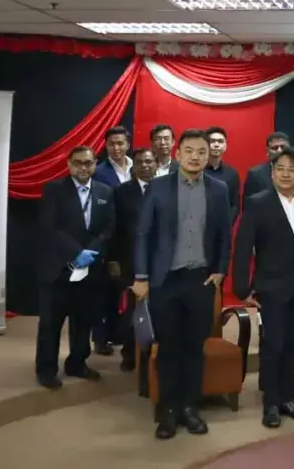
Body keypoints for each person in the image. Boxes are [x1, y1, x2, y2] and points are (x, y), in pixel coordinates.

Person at [132, 129, 232, 440]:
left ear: (208, 155)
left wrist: (219, 271)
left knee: (194, 348)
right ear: (177, 153)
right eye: (189, 150)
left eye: (201, 152)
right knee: (168, 349)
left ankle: (191, 408)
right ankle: (168, 411)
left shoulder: (219, 189)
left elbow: (223, 235)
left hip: (199, 280)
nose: (195, 157)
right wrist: (141, 276)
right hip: (165, 280)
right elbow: (143, 234)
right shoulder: (159, 188)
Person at [233, 147, 294, 429]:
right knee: (273, 346)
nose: (286, 174)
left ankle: (287, 398)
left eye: (292, 170)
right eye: (280, 168)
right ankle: (271, 403)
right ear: (272, 173)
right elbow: (243, 248)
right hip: (271, 286)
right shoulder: (258, 203)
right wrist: (242, 289)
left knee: (292, 345)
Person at [34, 146, 115, 389]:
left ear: (94, 164)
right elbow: (50, 226)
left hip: (90, 271)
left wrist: (91, 252)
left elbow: (109, 228)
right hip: (58, 269)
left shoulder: (105, 192)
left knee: (83, 322)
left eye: (88, 163)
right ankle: (46, 370)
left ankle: (77, 363)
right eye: (78, 163)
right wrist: (76, 253)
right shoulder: (54, 190)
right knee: (51, 324)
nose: (83, 167)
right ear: (69, 165)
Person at [113, 148, 157, 375]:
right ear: (134, 167)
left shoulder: (165, 189)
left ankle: (153, 354)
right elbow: (116, 230)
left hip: (159, 261)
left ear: (156, 165)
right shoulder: (122, 192)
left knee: (158, 311)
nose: (145, 166)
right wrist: (115, 264)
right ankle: (129, 354)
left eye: (149, 162)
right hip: (131, 261)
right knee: (133, 311)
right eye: (140, 162)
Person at [91, 126, 132, 356]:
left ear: (127, 144)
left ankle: (119, 333)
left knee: (126, 290)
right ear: (105, 146)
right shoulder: (98, 171)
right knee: (105, 291)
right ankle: (100, 337)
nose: (116, 148)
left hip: (133, 239)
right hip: (109, 239)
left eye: (120, 143)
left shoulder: (139, 166)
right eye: (111, 144)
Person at [203, 126, 242, 221]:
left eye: (220, 141)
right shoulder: (196, 170)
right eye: (212, 141)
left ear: (225, 146)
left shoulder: (232, 174)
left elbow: (234, 206)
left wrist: (226, 226)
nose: (216, 145)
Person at [244, 132, 290, 197]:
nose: (279, 151)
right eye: (275, 148)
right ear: (267, 151)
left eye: (283, 147)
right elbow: (249, 203)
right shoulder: (255, 174)